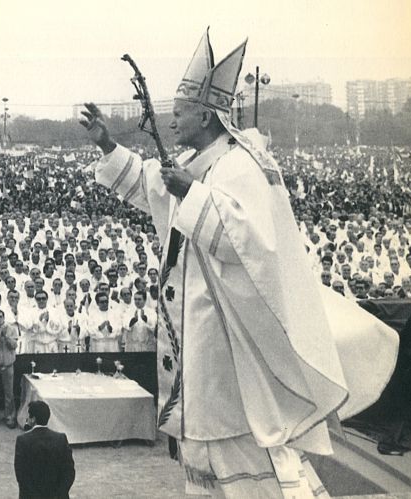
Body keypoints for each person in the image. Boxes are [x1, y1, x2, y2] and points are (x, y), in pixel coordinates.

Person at [80, 29, 348, 496]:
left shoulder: (242, 163)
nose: (172, 122)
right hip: (201, 331)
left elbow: (253, 241)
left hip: (233, 338)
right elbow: (152, 186)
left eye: (180, 112)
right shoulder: (201, 158)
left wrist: (192, 192)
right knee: (205, 446)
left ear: (205, 114)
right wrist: (108, 144)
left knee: (243, 442)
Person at [14, 400, 75, 499]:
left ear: (33, 419)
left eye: (29, 416)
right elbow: (69, 472)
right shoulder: (61, 439)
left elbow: (21, 476)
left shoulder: (23, 441)